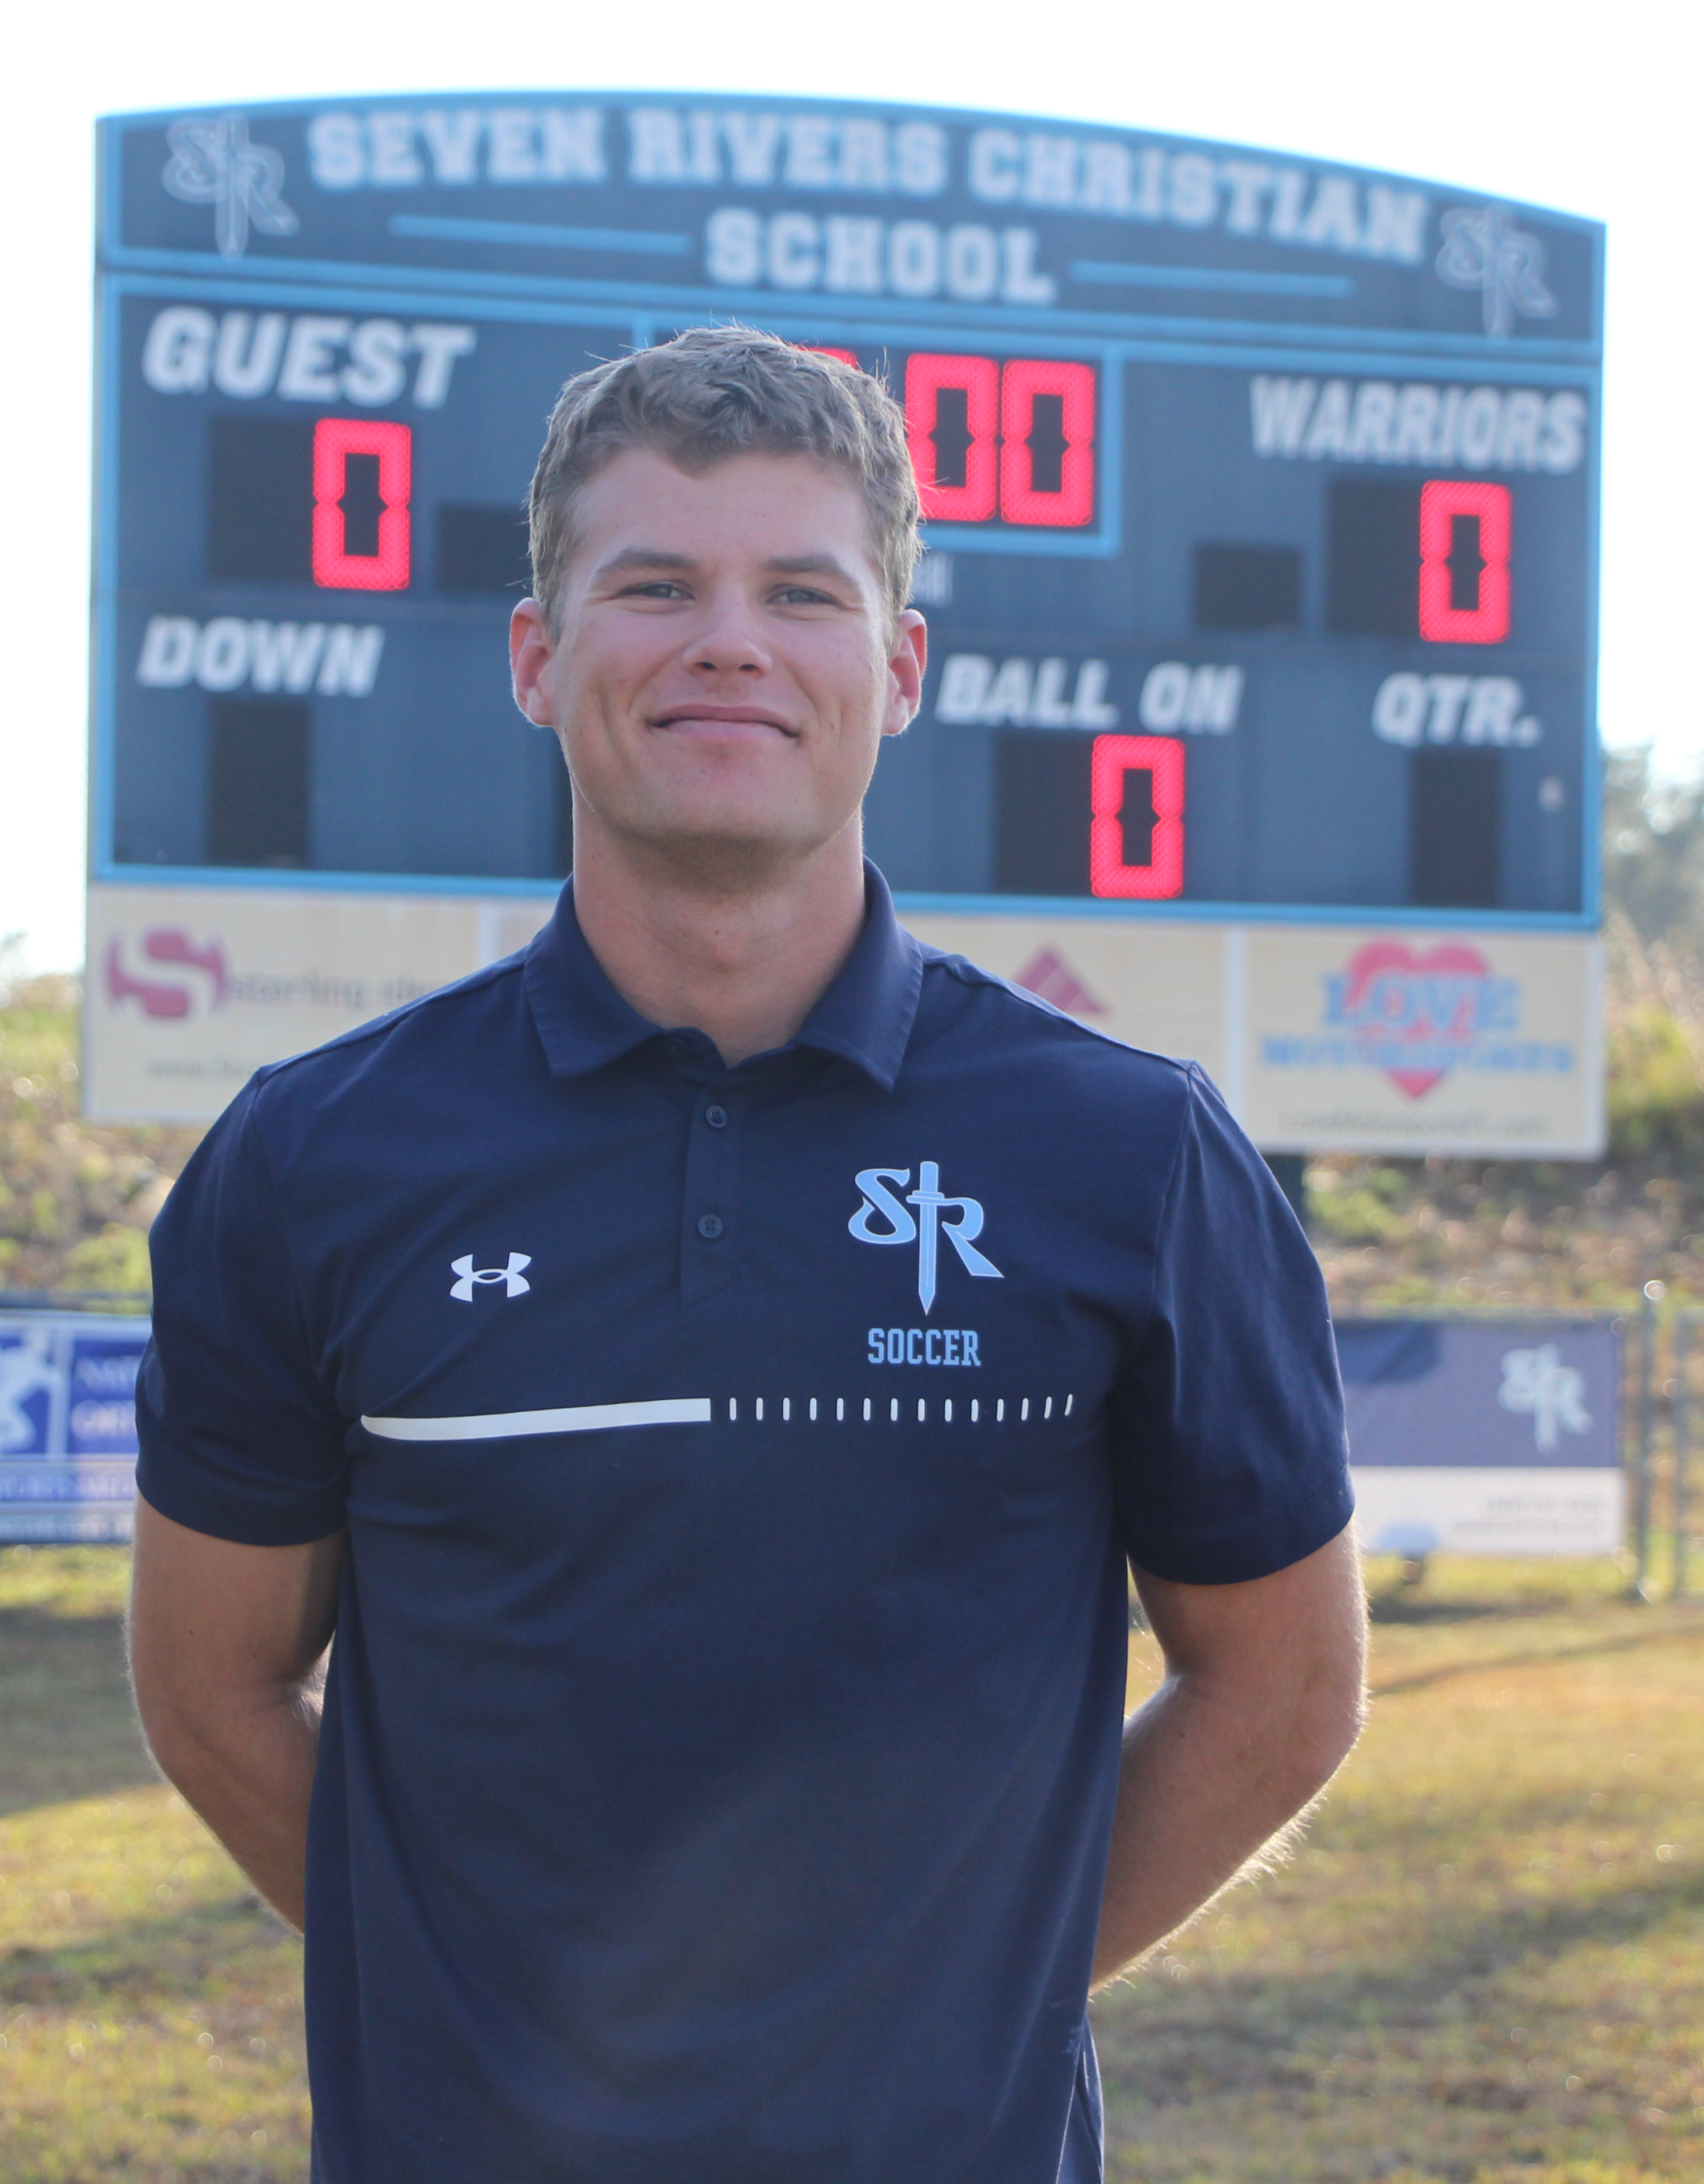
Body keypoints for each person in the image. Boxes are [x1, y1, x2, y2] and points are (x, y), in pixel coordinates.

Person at [128, 325, 1364, 2183]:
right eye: (653, 587)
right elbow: (209, 1692)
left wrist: (956, 1996)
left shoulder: (1131, 1155)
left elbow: (1282, 1691)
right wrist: (484, 2002)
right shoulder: (313, 1160)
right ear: (536, 658)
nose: (728, 642)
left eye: (800, 592)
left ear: (898, 666)